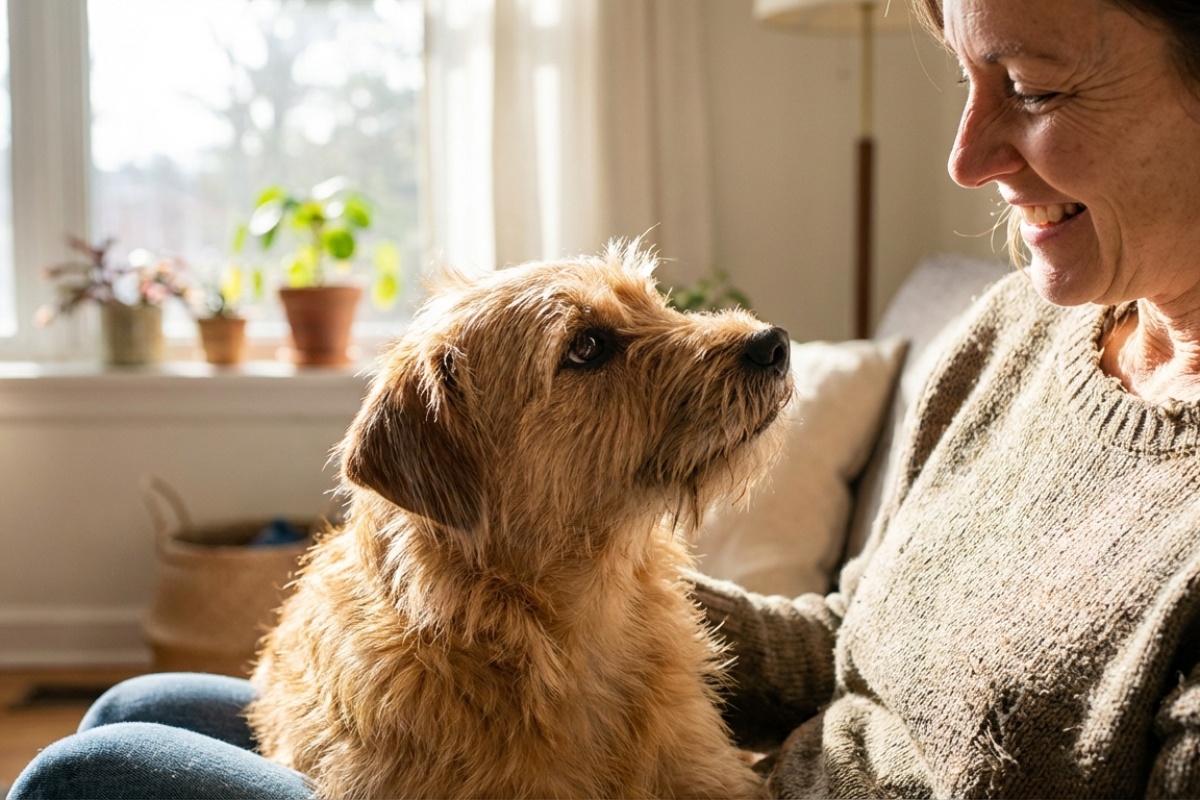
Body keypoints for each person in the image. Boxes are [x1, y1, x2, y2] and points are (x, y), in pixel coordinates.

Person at [12, 0, 1200, 796]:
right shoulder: (1016, 329)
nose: (965, 151)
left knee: (88, 774)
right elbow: (856, 638)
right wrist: (582, 606)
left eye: (1036, 86)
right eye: (963, 74)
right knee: (136, 699)